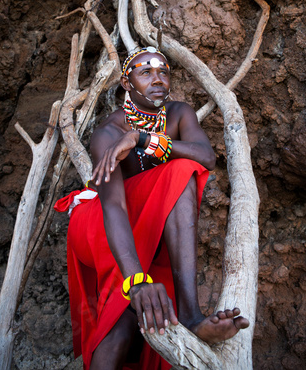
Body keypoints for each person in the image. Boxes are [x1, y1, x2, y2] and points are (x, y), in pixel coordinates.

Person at [54, 46, 249, 370]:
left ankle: (177, 316)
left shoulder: (179, 114)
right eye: (146, 72)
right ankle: (190, 314)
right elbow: (113, 206)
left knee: (131, 324)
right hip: (100, 224)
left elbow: (207, 156)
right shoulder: (108, 131)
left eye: (163, 71)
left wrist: (144, 140)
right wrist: (136, 283)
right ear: (126, 83)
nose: (158, 78)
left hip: (146, 232)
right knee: (179, 172)